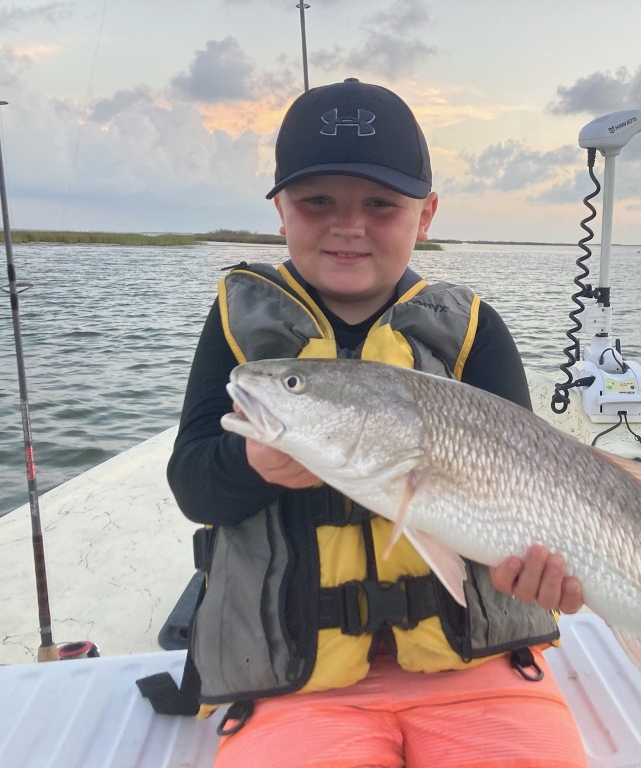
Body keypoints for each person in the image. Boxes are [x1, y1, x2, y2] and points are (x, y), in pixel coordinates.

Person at [167, 77, 587, 767]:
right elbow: (192, 485)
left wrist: (541, 573)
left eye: (382, 205)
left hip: (476, 669)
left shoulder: (474, 332)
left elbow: (533, 481)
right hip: (294, 680)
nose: (348, 225)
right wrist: (253, 466)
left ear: (426, 215)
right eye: (317, 200)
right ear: (279, 209)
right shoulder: (240, 332)